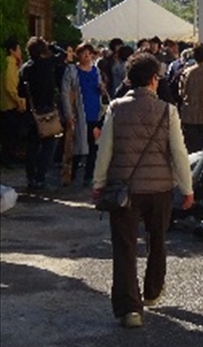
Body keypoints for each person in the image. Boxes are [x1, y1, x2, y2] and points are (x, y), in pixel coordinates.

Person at [92, 53, 193, 328]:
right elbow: (179, 153)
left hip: (123, 189)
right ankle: (152, 291)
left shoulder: (115, 108)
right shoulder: (167, 111)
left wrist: (99, 183)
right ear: (152, 80)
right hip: (160, 188)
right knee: (157, 239)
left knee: (124, 248)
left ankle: (130, 310)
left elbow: (105, 150)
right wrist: (187, 188)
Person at [60, 42, 106, 186]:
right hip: (79, 112)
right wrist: (68, 114)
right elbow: (65, 93)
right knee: (76, 146)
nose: (87, 56)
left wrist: (102, 89)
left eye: (89, 53)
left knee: (94, 145)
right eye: (83, 53)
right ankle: (71, 174)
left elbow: (101, 90)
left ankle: (89, 175)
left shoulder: (96, 71)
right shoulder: (72, 70)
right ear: (78, 55)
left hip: (94, 112)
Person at [18, 36, 60, 192]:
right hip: (47, 110)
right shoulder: (47, 63)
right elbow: (63, 56)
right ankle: (40, 178)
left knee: (32, 147)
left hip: (32, 112)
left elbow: (20, 92)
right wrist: (53, 47)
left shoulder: (25, 68)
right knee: (49, 145)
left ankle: (31, 179)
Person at [0, 37, 26, 167]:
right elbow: (10, 87)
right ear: (12, 50)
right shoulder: (10, 64)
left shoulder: (12, 64)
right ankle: (8, 159)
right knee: (10, 135)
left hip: (6, 104)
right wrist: (19, 102)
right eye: (18, 49)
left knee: (10, 134)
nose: (20, 52)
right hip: (10, 105)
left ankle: (10, 157)